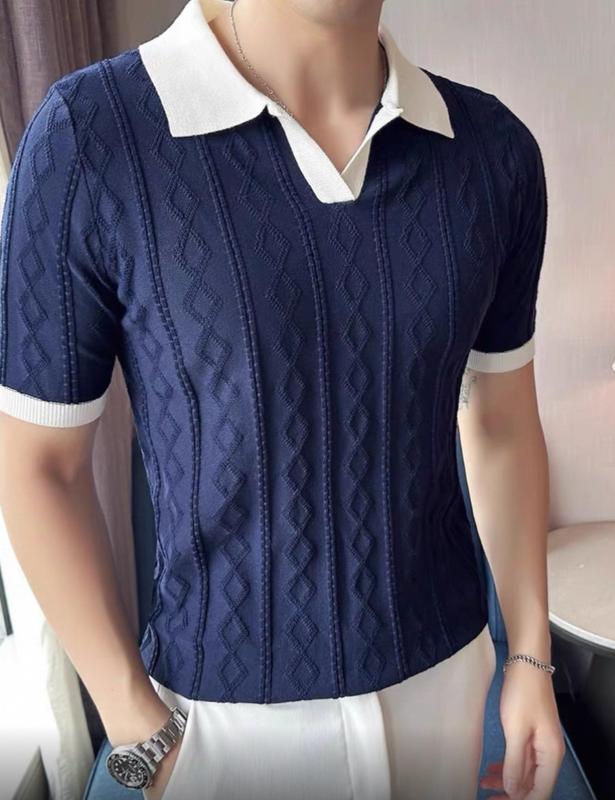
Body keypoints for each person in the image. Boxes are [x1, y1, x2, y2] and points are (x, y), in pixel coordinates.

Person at [0, 0, 566, 798]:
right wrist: (138, 733)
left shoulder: (492, 155)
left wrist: (529, 658)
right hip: (218, 728)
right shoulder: (92, 137)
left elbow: (501, 421)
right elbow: (37, 465)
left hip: (445, 688)